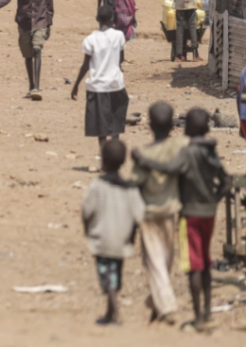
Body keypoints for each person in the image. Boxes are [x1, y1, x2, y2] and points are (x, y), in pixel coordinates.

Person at [132, 108, 231, 332]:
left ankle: (198, 319)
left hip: (190, 214)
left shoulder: (187, 153)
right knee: (205, 263)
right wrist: (214, 200)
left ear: (186, 129)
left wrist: (143, 159)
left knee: (193, 266)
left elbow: (169, 168)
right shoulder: (211, 152)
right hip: (209, 213)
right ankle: (207, 313)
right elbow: (225, 182)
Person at [131, 102, 188, 325]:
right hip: (170, 212)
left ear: (149, 125)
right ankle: (162, 304)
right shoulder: (178, 148)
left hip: (149, 215)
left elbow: (135, 185)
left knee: (155, 262)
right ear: (173, 125)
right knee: (165, 260)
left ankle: (164, 305)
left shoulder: (144, 154)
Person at [81, 140, 145, 326]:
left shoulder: (97, 186)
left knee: (106, 275)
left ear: (103, 160)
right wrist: (132, 235)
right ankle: (110, 311)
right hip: (122, 239)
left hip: (102, 238)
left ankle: (115, 309)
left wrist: (88, 230)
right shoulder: (130, 188)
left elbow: (87, 210)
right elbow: (139, 214)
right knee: (116, 272)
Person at [70, 5, 128, 150]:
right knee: (115, 125)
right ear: (112, 19)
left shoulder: (90, 40)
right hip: (116, 85)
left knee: (100, 128)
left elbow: (85, 65)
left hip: (97, 88)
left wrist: (76, 85)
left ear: (97, 19)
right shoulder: (119, 36)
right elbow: (121, 58)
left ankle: (104, 157)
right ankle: (114, 155)